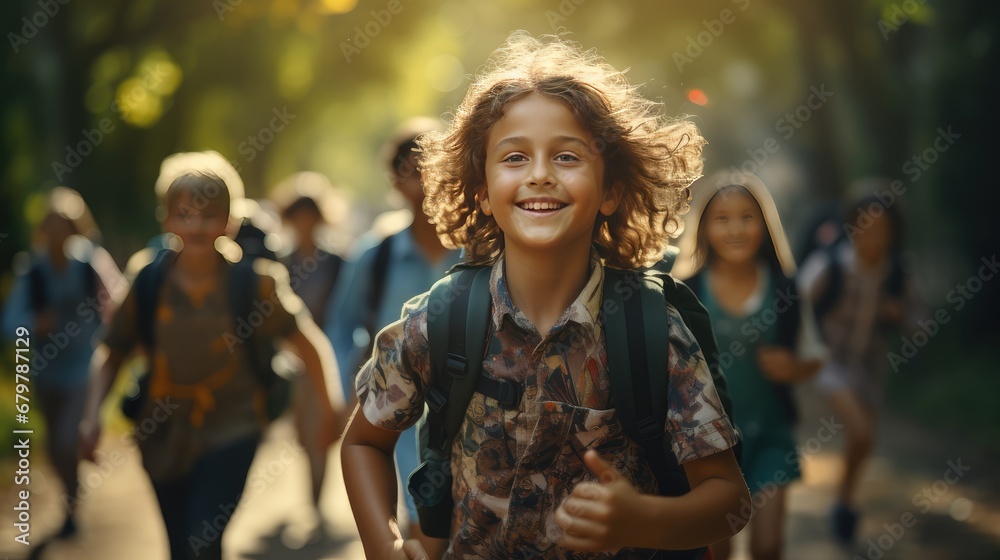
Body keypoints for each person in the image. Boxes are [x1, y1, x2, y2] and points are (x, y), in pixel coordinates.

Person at [341, 32, 749, 559]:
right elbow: (362, 442)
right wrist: (384, 544)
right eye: (514, 157)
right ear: (482, 190)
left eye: (566, 157)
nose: (539, 175)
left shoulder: (654, 332)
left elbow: (729, 501)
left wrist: (641, 519)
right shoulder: (435, 323)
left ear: (611, 190)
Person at [79, 169, 343, 560]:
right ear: (167, 220)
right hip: (160, 433)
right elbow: (113, 351)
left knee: (204, 540)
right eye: (184, 214)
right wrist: (90, 416)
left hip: (233, 430)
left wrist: (330, 412)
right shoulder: (147, 281)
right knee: (180, 545)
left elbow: (310, 345)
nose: (196, 225)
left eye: (209, 215)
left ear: (230, 222)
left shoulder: (256, 284)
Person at [325, 118, 463, 554]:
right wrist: (347, 390)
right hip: (398, 408)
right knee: (419, 515)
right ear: (395, 179)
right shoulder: (376, 253)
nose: (423, 180)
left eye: (433, 166)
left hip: (467, 406)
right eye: (410, 168)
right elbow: (341, 324)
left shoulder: (483, 249)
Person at [675, 172, 825, 560]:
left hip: (770, 433)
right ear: (704, 227)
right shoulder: (685, 290)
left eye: (747, 217)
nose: (735, 229)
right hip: (707, 445)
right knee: (716, 550)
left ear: (765, 223)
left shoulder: (785, 289)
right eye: (721, 218)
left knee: (769, 546)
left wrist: (794, 368)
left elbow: (814, 355)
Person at [797, 183, 919, 544]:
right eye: (864, 227)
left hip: (870, 367)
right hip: (827, 362)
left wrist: (901, 315)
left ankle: (844, 501)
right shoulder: (829, 265)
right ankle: (844, 506)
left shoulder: (898, 272)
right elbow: (795, 306)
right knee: (861, 430)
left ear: (893, 233)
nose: (872, 237)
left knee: (863, 441)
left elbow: (922, 320)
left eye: (881, 229)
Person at [2, 187, 124, 539]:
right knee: (55, 443)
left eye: (64, 228)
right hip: (45, 372)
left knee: (67, 439)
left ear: (76, 230)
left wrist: (113, 344)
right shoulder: (33, 270)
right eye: (51, 228)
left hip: (84, 369)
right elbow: (10, 322)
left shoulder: (91, 264)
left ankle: (72, 504)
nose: (57, 236)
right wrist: (33, 325)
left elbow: (118, 305)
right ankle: (69, 493)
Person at [273, 171, 350, 541]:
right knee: (299, 435)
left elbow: (347, 313)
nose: (304, 224)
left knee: (319, 432)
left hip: (327, 359)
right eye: (298, 216)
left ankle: (315, 506)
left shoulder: (338, 262)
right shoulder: (280, 263)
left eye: (310, 216)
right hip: (286, 363)